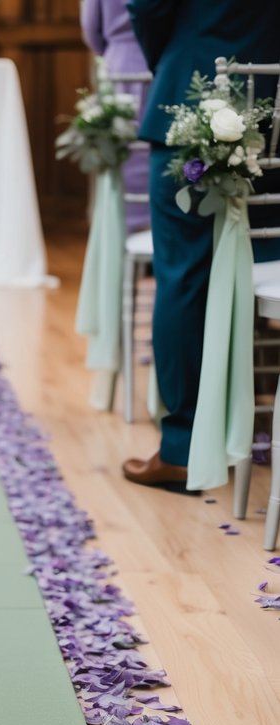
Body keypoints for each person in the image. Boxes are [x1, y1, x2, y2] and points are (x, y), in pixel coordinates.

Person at [123, 0, 280, 490]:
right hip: (275, 109)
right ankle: (260, 425)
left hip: (189, 98)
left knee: (184, 276)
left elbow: (147, 8)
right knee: (264, 260)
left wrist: (177, 56)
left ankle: (184, 449)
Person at [80, 0, 150, 231]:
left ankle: (118, 230)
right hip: (158, 61)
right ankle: (154, 232)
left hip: (119, 63)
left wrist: (113, 49)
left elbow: (90, 27)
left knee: (119, 149)